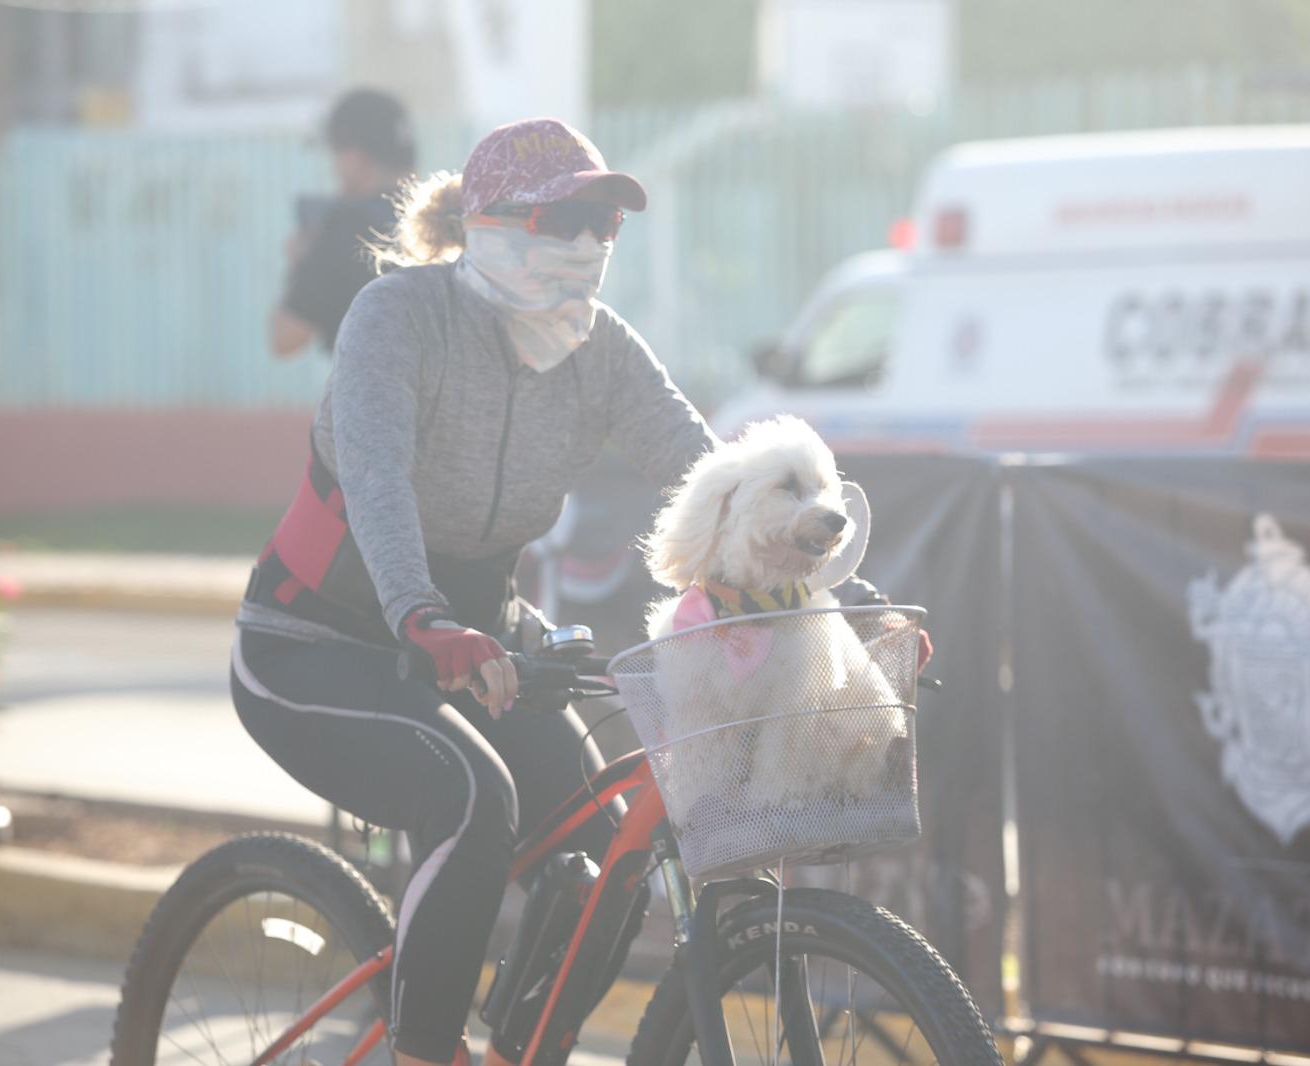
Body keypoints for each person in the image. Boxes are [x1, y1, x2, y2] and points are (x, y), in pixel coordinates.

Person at [231, 117, 921, 1066]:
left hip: (481, 649)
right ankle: (423, 1052)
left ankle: (523, 1048)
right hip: (319, 641)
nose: (593, 242)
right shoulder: (397, 317)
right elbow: (377, 482)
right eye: (572, 218)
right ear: (494, 225)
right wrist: (422, 617)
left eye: (607, 223)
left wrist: (858, 605)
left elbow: (724, 483)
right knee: (475, 799)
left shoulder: (600, 352)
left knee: (611, 866)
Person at [269, 88, 416, 357]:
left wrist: (301, 264)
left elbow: (286, 338)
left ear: (354, 157)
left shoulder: (349, 227)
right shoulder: (443, 219)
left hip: (373, 395)